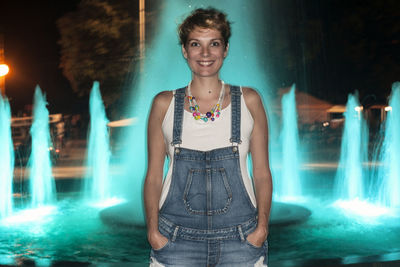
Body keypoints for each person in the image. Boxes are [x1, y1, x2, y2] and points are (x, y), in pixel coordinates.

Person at [144, 7, 272, 267]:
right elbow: (154, 176)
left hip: (240, 240)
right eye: (195, 44)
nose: (205, 54)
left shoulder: (249, 100)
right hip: (175, 240)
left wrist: (261, 230)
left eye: (213, 44)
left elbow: (261, 173)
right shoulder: (163, 103)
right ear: (184, 50)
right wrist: (153, 233)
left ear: (225, 49)